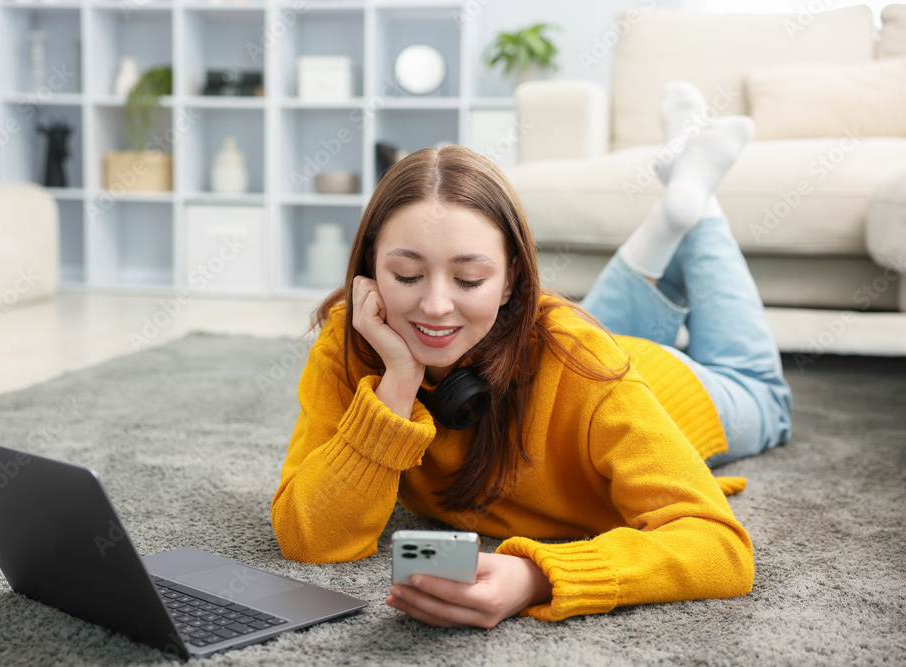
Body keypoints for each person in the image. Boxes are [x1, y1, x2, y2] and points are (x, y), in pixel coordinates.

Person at [271, 82, 792, 629]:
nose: (435, 305)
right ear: (370, 270)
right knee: (568, 328)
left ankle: (697, 203)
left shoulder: (579, 359)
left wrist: (538, 576)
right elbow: (312, 538)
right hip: (557, 345)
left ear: (510, 280)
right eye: (406, 275)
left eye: (469, 279)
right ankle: (680, 198)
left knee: (764, 392)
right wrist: (398, 382)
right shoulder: (355, 337)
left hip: (684, 387)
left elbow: (720, 547)